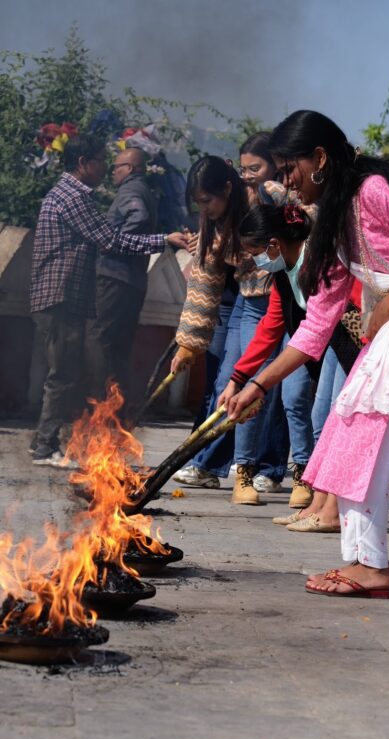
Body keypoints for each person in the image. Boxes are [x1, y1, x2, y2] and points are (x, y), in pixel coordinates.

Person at [226, 109, 389, 597]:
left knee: (365, 430)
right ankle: (361, 561)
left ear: (319, 159)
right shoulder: (335, 220)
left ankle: (371, 566)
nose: (285, 182)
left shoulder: (372, 191)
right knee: (347, 423)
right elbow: (315, 326)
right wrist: (254, 385)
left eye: (289, 168)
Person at [30, 134, 187, 467]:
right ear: (84, 163)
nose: (105, 168)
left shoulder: (70, 194)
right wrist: (164, 240)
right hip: (60, 295)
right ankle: (44, 446)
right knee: (63, 373)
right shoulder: (73, 198)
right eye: (102, 160)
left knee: (67, 369)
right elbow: (109, 240)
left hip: (66, 296)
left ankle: (49, 442)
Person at [218, 202, 361, 532]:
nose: (256, 261)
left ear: (273, 244)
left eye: (256, 251)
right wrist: (239, 378)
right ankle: (318, 504)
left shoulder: (322, 260)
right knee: (320, 418)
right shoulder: (283, 274)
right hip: (333, 347)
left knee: (338, 422)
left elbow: (327, 323)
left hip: (356, 343)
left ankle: (333, 510)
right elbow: (271, 325)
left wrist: (257, 385)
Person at [171, 155, 283, 504]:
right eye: (199, 203)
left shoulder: (270, 197)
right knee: (225, 385)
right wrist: (188, 343)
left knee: (253, 388)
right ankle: (212, 465)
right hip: (247, 304)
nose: (205, 208)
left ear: (229, 188)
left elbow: (305, 226)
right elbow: (205, 282)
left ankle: (247, 473)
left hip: (279, 302)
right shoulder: (212, 224)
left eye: (208, 200)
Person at [87, 147, 158, 400]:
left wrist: (113, 243)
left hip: (115, 277)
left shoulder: (131, 190)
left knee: (101, 340)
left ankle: (96, 401)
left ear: (129, 169)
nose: (112, 172)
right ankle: (115, 407)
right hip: (133, 280)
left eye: (117, 167)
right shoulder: (143, 190)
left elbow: (138, 217)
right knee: (120, 347)